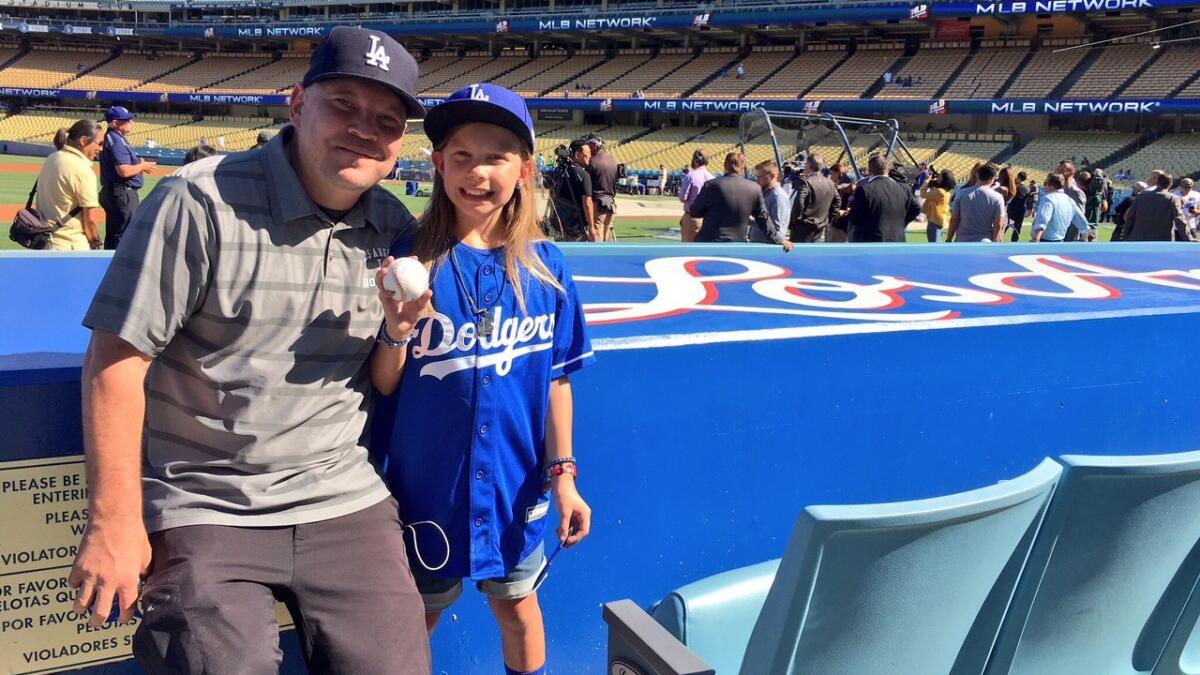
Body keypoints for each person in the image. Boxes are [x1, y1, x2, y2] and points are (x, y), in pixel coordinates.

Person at [70, 26, 432, 674]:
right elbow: (115, 360)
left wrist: (398, 329)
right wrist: (113, 519)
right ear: (297, 104)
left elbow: (386, 374)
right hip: (206, 501)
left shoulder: (392, 225)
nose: (363, 130)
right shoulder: (198, 202)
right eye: (343, 105)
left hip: (341, 498)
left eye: (386, 120)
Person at [371, 83, 593, 675]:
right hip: (425, 488)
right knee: (415, 616)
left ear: (524, 168)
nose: (477, 172)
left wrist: (564, 477)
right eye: (461, 156)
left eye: (494, 156)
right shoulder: (410, 258)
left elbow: (557, 381)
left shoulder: (546, 267)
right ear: (438, 164)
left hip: (515, 489)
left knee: (519, 607)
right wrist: (396, 330)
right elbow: (385, 384)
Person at [35, 119, 105, 250]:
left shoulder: (52, 157)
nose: (101, 149)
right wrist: (94, 239)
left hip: (45, 240)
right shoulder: (82, 169)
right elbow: (90, 217)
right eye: (99, 143)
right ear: (83, 141)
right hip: (69, 244)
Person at [99, 105, 156, 250]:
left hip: (115, 192)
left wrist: (139, 165)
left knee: (115, 234)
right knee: (122, 237)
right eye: (127, 120)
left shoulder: (113, 138)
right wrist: (142, 167)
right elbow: (123, 171)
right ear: (115, 123)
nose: (131, 123)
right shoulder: (117, 140)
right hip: (122, 193)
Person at [689, 151, 770, 242]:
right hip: (737, 244)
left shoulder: (711, 185)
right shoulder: (755, 188)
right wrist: (780, 240)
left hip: (710, 242)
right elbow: (763, 219)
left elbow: (694, 211)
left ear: (725, 166)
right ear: (743, 168)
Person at [847, 154, 920, 243]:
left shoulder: (864, 190)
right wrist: (901, 223)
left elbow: (855, 217)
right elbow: (917, 208)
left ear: (870, 171)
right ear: (888, 170)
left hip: (870, 241)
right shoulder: (904, 189)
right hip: (896, 240)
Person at [788, 153, 840, 244]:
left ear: (809, 165)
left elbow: (799, 203)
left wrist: (796, 221)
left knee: (799, 255)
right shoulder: (830, 183)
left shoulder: (806, 182)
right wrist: (827, 218)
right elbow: (837, 201)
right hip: (819, 226)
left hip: (803, 227)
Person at [1124, 173, 1192, 242]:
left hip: (1138, 239)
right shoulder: (1173, 199)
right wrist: (1189, 239)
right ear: (1170, 184)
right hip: (1162, 241)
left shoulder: (1141, 196)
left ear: (1157, 183)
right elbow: (1179, 221)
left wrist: (1125, 237)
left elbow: (1129, 217)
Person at [947, 163, 1005, 243]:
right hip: (984, 242)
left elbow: (954, 219)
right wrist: (994, 243)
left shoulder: (961, 193)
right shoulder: (998, 197)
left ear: (977, 174)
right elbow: (998, 224)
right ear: (992, 178)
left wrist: (949, 239)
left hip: (962, 241)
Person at [551, 138, 594, 241]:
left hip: (559, 226)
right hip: (576, 228)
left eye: (589, 155)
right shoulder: (584, 175)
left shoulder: (558, 171)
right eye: (586, 155)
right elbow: (587, 203)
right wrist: (592, 227)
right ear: (577, 154)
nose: (589, 158)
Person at [1030, 172, 1090, 242]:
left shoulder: (1048, 199)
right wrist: (1084, 238)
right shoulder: (1069, 200)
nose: (1044, 186)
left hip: (1045, 241)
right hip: (1060, 241)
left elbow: (1043, 219)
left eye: (1045, 184)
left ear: (1051, 186)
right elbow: (1081, 220)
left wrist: (1036, 239)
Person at [750, 160, 794, 251]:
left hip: (767, 250)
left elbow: (777, 229)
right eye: (756, 177)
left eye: (760, 177)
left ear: (772, 176)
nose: (757, 180)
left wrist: (751, 219)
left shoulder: (777, 197)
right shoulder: (767, 194)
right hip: (760, 247)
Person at [585, 134, 618, 242]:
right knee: (606, 232)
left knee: (597, 231)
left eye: (588, 144)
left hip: (598, 202)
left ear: (594, 145)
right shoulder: (612, 160)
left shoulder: (593, 161)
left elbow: (587, 184)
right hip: (611, 202)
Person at [678, 149, 714, 242]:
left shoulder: (690, 176)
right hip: (708, 218)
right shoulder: (712, 177)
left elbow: (683, 198)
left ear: (695, 160)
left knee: (688, 250)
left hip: (692, 217)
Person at [920, 168, 953, 243]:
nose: (938, 177)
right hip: (939, 220)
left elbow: (923, 194)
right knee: (937, 243)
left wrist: (927, 181)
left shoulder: (939, 192)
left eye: (940, 176)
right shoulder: (945, 191)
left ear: (942, 179)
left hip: (934, 221)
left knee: (933, 244)